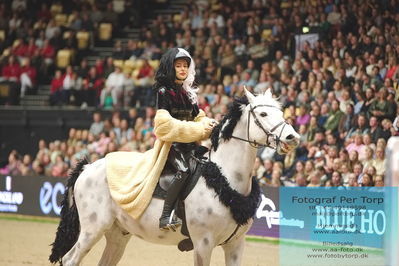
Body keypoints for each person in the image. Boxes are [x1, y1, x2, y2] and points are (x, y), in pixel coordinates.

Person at [154, 48, 217, 231]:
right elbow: (164, 124)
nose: (183, 69)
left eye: (185, 66)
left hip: (191, 145)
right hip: (172, 145)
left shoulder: (188, 94)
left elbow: (199, 117)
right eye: (179, 66)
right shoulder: (163, 91)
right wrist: (198, 129)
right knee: (183, 170)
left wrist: (210, 124)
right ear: (170, 67)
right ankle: (165, 216)